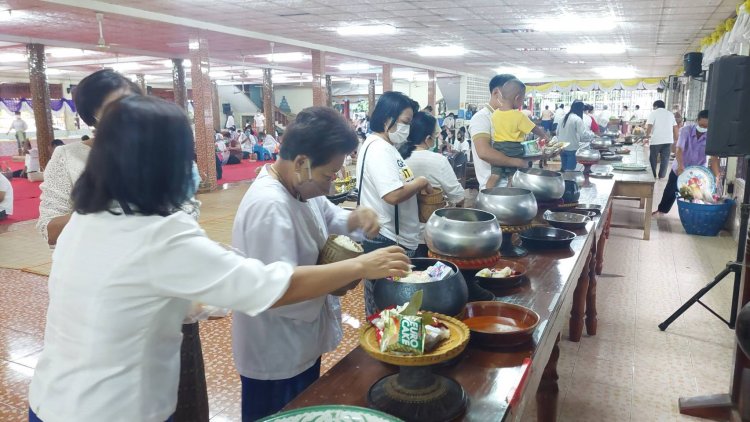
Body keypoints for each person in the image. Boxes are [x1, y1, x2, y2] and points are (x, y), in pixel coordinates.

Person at [27, 95, 410, 422]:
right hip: (111, 408)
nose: (192, 167)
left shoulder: (87, 219)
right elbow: (269, 287)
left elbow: (126, 296)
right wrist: (361, 266)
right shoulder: (160, 233)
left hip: (52, 399)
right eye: (186, 155)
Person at [232, 107, 386, 420]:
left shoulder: (301, 187)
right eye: (328, 175)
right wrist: (357, 268)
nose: (330, 185)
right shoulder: (270, 206)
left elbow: (328, 216)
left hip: (300, 342)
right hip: (275, 351)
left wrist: (356, 217)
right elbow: (280, 291)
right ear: (301, 162)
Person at [38, 69, 143, 246]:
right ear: (92, 113)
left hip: (149, 259)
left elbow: (185, 210)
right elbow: (50, 229)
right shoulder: (68, 156)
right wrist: (104, 213)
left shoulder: (156, 152)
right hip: (95, 260)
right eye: (113, 107)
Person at [357, 91, 432, 316]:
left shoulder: (387, 147)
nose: (407, 129)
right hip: (386, 238)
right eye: (404, 122)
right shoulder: (379, 149)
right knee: (385, 310)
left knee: (393, 308)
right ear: (387, 119)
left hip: (393, 237)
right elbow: (392, 195)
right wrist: (421, 181)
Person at [654, 110, 719, 216]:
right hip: (680, 167)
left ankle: (692, 215)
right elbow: (679, 149)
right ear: (696, 121)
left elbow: (714, 157)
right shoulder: (686, 131)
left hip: (698, 171)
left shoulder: (712, 136)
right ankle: (661, 211)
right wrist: (680, 166)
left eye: (707, 126)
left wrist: (716, 176)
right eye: (702, 125)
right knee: (671, 190)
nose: (704, 128)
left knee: (694, 194)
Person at [486, 79, 549, 188]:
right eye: (523, 99)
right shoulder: (519, 116)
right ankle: (510, 193)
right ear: (517, 98)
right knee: (513, 175)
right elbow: (533, 128)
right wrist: (543, 135)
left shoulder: (495, 114)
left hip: (497, 147)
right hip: (513, 148)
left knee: (495, 175)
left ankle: (486, 194)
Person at [468, 74, 528, 190]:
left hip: (513, 185)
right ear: (496, 93)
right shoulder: (482, 117)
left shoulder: (511, 117)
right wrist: (516, 162)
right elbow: (484, 152)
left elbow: (512, 150)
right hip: (494, 190)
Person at [645, 100, 678, 179]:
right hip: (668, 140)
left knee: (653, 158)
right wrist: (676, 139)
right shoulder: (670, 114)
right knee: (665, 158)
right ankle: (662, 175)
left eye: (654, 107)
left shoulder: (653, 113)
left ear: (656, 106)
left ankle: (653, 175)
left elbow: (649, 126)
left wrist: (646, 136)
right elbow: (675, 127)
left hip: (656, 140)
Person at [557, 101, 586, 172]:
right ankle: (568, 183)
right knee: (570, 172)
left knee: (563, 170)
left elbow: (557, 132)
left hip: (562, 147)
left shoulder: (563, 118)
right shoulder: (577, 119)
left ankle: (563, 182)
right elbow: (583, 134)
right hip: (572, 148)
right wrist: (592, 136)